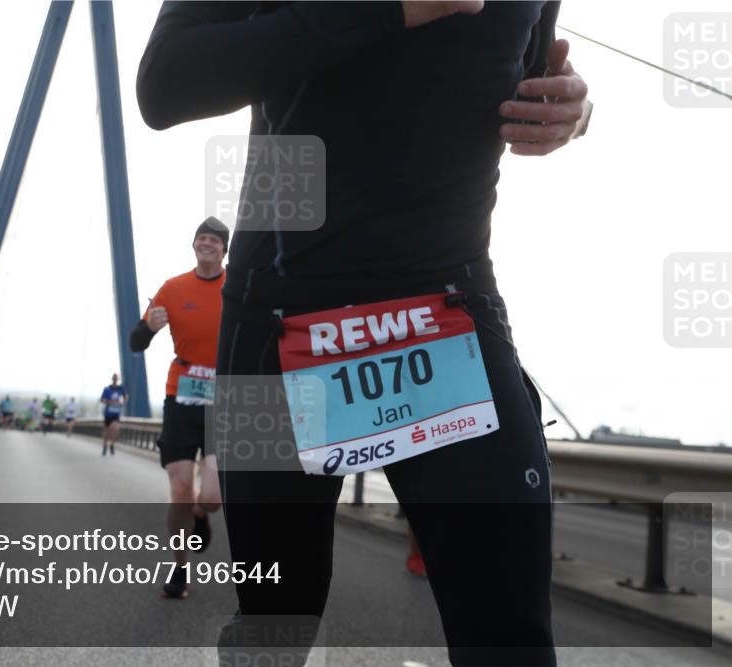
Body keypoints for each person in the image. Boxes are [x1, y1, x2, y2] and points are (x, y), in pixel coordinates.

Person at [138, 1, 590, 664]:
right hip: (282, 323)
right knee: (274, 630)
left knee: (509, 636)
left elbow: (519, 77)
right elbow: (166, 83)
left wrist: (570, 114)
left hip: (445, 315)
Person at [129, 217, 229, 599]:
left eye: (214, 240)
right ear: (194, 245)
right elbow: (136, 341)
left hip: (224, 403)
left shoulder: (236, 287)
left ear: (223, 250)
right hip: (181, 396)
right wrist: (149, 328)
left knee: (213, 499)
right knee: (181, 490)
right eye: (201, 238)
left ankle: (202, 515)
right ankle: (179, 570)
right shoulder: (172, 288)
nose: (206, 244)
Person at [100, 374, 126, 456]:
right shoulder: (107, 389)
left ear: (118, 379)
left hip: (116, 414)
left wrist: (122, 402)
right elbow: (101, 400)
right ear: (112, 379)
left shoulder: (121, 389)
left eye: (116, 378)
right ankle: (105, 446)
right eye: (114, 377)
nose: (115, 379)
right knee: (107, 432)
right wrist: (109, 402)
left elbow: (126, 396)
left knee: (116, 429)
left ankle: (112, 444)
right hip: (108, 413)